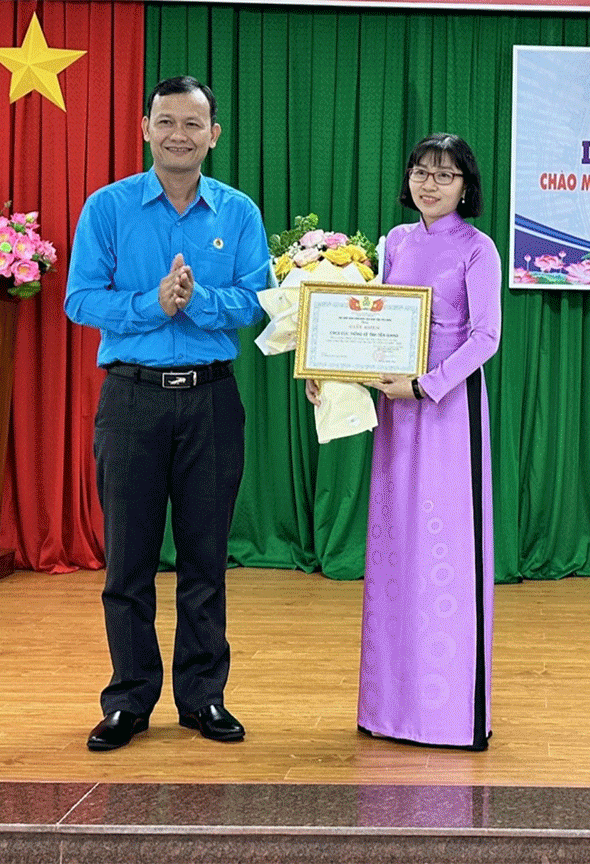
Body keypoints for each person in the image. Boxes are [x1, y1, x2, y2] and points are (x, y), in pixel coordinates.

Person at [65, 76, 269, 752]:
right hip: (131, 400)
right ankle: (129, 700)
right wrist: (154, 303)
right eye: (166, 121)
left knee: (206, 561)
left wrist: (197, 300)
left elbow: (258, 301)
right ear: (145, 128)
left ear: (215, 134)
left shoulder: (237, 212)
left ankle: (204, 698)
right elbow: (80, 300)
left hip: (211, 399)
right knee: (128, 562)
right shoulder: (108, 207)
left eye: (193, 123)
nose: (178, 133)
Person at [308, 133, 501, 750]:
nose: (430, 184)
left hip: (446, 411)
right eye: (421, 172)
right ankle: (389, 710)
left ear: (466, 186)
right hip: (396, 413)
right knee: (396, 555)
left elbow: (485, 337)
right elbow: (374, 322)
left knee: (448, 560)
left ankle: (449, 714)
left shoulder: (480, 249)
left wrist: (425, 386)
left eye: (444, 176)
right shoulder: (394, 241)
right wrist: (331, 373)